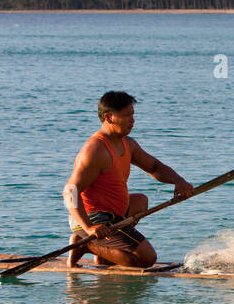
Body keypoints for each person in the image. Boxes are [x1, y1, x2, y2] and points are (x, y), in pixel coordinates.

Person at [63, 91, 194, 268]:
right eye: (126, 116)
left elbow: (154, 167)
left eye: (133, 115)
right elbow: (70, 191)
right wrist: (88, 227)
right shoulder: (95, 151)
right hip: (91, 219)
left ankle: (105, 251)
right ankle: (87, 243)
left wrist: (179, 181)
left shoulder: (128, 144)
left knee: (140, 201)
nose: (132, 121)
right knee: (146, 259)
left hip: (112, 215)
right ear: (109, 117)